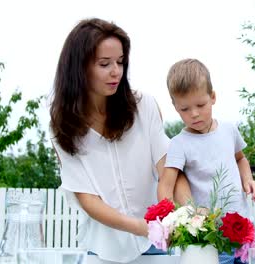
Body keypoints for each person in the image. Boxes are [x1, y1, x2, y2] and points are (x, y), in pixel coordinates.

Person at [49, 18, 190, 263]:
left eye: (120, 62)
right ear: (79, 68)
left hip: (155, 243)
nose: (116, 71)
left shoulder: (143, 106)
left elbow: (169, 169)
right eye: (105, 64)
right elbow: (87, 199)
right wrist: (140, 226)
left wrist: (190, 214)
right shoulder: (62, 126)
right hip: (103, 249)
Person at [157, 58, 255, 264]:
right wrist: (168, 221)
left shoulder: (229, 130)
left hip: (244, 230)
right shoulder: (180, 143)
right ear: (175, 107)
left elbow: (240, 159)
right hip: (210, 236)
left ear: (213, 97)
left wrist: (249, 180)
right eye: (184, 109)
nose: (194, 114)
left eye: (200, 105)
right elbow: (166, 185)